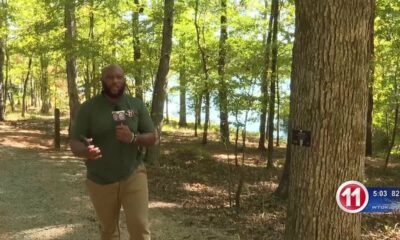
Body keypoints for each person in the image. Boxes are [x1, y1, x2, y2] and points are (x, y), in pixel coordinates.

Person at [70, 64, 156, 240]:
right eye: (110, 77)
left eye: (119, 77)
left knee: (140, 226)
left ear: (124, 80)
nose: (115, 81)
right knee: (109, 231)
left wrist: (133, 138)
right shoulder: (89, 108)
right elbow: (74, 142)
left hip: (133, 173)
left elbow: (152, 137)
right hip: (100, 178)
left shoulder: (136, 106)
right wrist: (85, 151)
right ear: (102, 80)